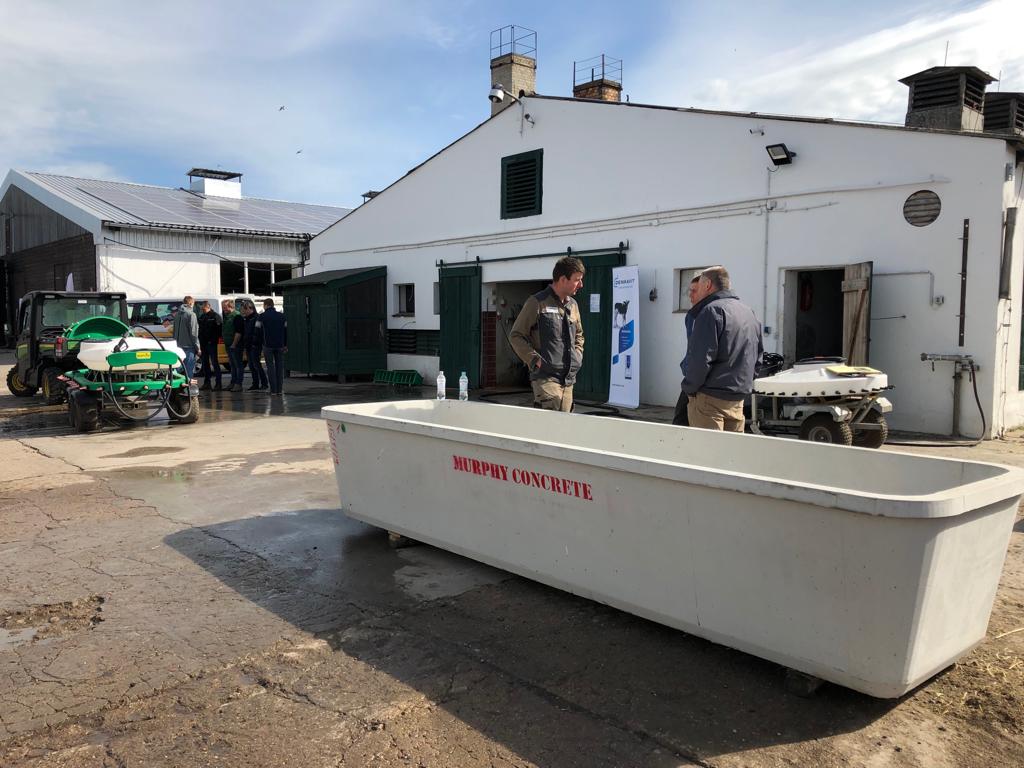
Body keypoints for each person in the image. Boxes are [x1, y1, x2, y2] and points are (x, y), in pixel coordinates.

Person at [680, 266, 763, 432]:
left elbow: (700, 360)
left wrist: (689, 388)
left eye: (699, 287)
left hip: (710, 400)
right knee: (730, 455)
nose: (691, 295)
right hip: (737, 399)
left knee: (707, 454)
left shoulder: (710, 311)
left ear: (708, 285)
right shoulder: (748, 312)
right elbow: (757, 357)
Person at [509, 256, 586, 412]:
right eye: (577, 280)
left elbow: (579, 335)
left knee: (564, 429)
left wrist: (578, 355)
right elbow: (516, 335)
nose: (581, 285)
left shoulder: (573, 305)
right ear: (563, 279)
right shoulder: (537, 302)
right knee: (549, 426)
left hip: (568, 380)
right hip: (546, 378)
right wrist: (534, 359)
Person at [672, 275, 702, 426]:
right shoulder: (690, 317)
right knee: (680, 420)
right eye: (689, 290)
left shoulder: (711, 315)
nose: (690, 295)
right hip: (691, 378)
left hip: (705, 383)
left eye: (694, 291)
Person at [257, 298, 288, 396]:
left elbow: (257, 331)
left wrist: (260, 344)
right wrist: (285, 344)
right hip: (280, 346)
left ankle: (273, 390)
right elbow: (286, 332)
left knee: (270, 367)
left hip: (268, 345)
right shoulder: (282, 316)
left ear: (265, 305)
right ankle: (279, 390)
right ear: (273, 305)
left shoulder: (261, 316)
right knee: (280, 367)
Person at [172, 295, 200, 381]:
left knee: (178, 369)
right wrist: (198, 347)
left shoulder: (177, 315)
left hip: (178, 346)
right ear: (191, 303)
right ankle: (188, 389)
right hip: (189, 346)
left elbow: (174, 331)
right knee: (189, 370)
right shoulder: (191, 315)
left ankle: (177, 389)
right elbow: (194, 333)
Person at [196, 301, 223, 391]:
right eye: (201, 308)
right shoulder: (202, 317)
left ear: (208, 307)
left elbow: (219, 330)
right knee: (205, 364)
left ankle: (218, 383)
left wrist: (213, 340)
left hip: (212, 343)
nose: (202, 310)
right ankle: (207, 383)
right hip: (203, 343)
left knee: (215, 363)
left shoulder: (215, 316)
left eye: (203, 308)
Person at [242, 301, 269, 391]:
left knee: (256, 365)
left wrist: (254, 343)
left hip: (255, 345)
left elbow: (258, 332)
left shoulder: (257, 318)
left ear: (250, 308)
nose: (243, 311)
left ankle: (264, 383)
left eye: (245, 309)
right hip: (249, 345)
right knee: (252, 366)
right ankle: (255, 383)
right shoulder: (247, 319)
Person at [221, 299, 245, 392]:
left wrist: (234, 344)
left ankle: (238, 384)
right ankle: (233, 382)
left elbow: (239, 332)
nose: (223, 309)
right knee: (232, 365)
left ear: (231, 306)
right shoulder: (227, 316)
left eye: (225, 307)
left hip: (235, 345)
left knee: (238, 365)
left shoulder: (237, 316)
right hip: (229, 344)